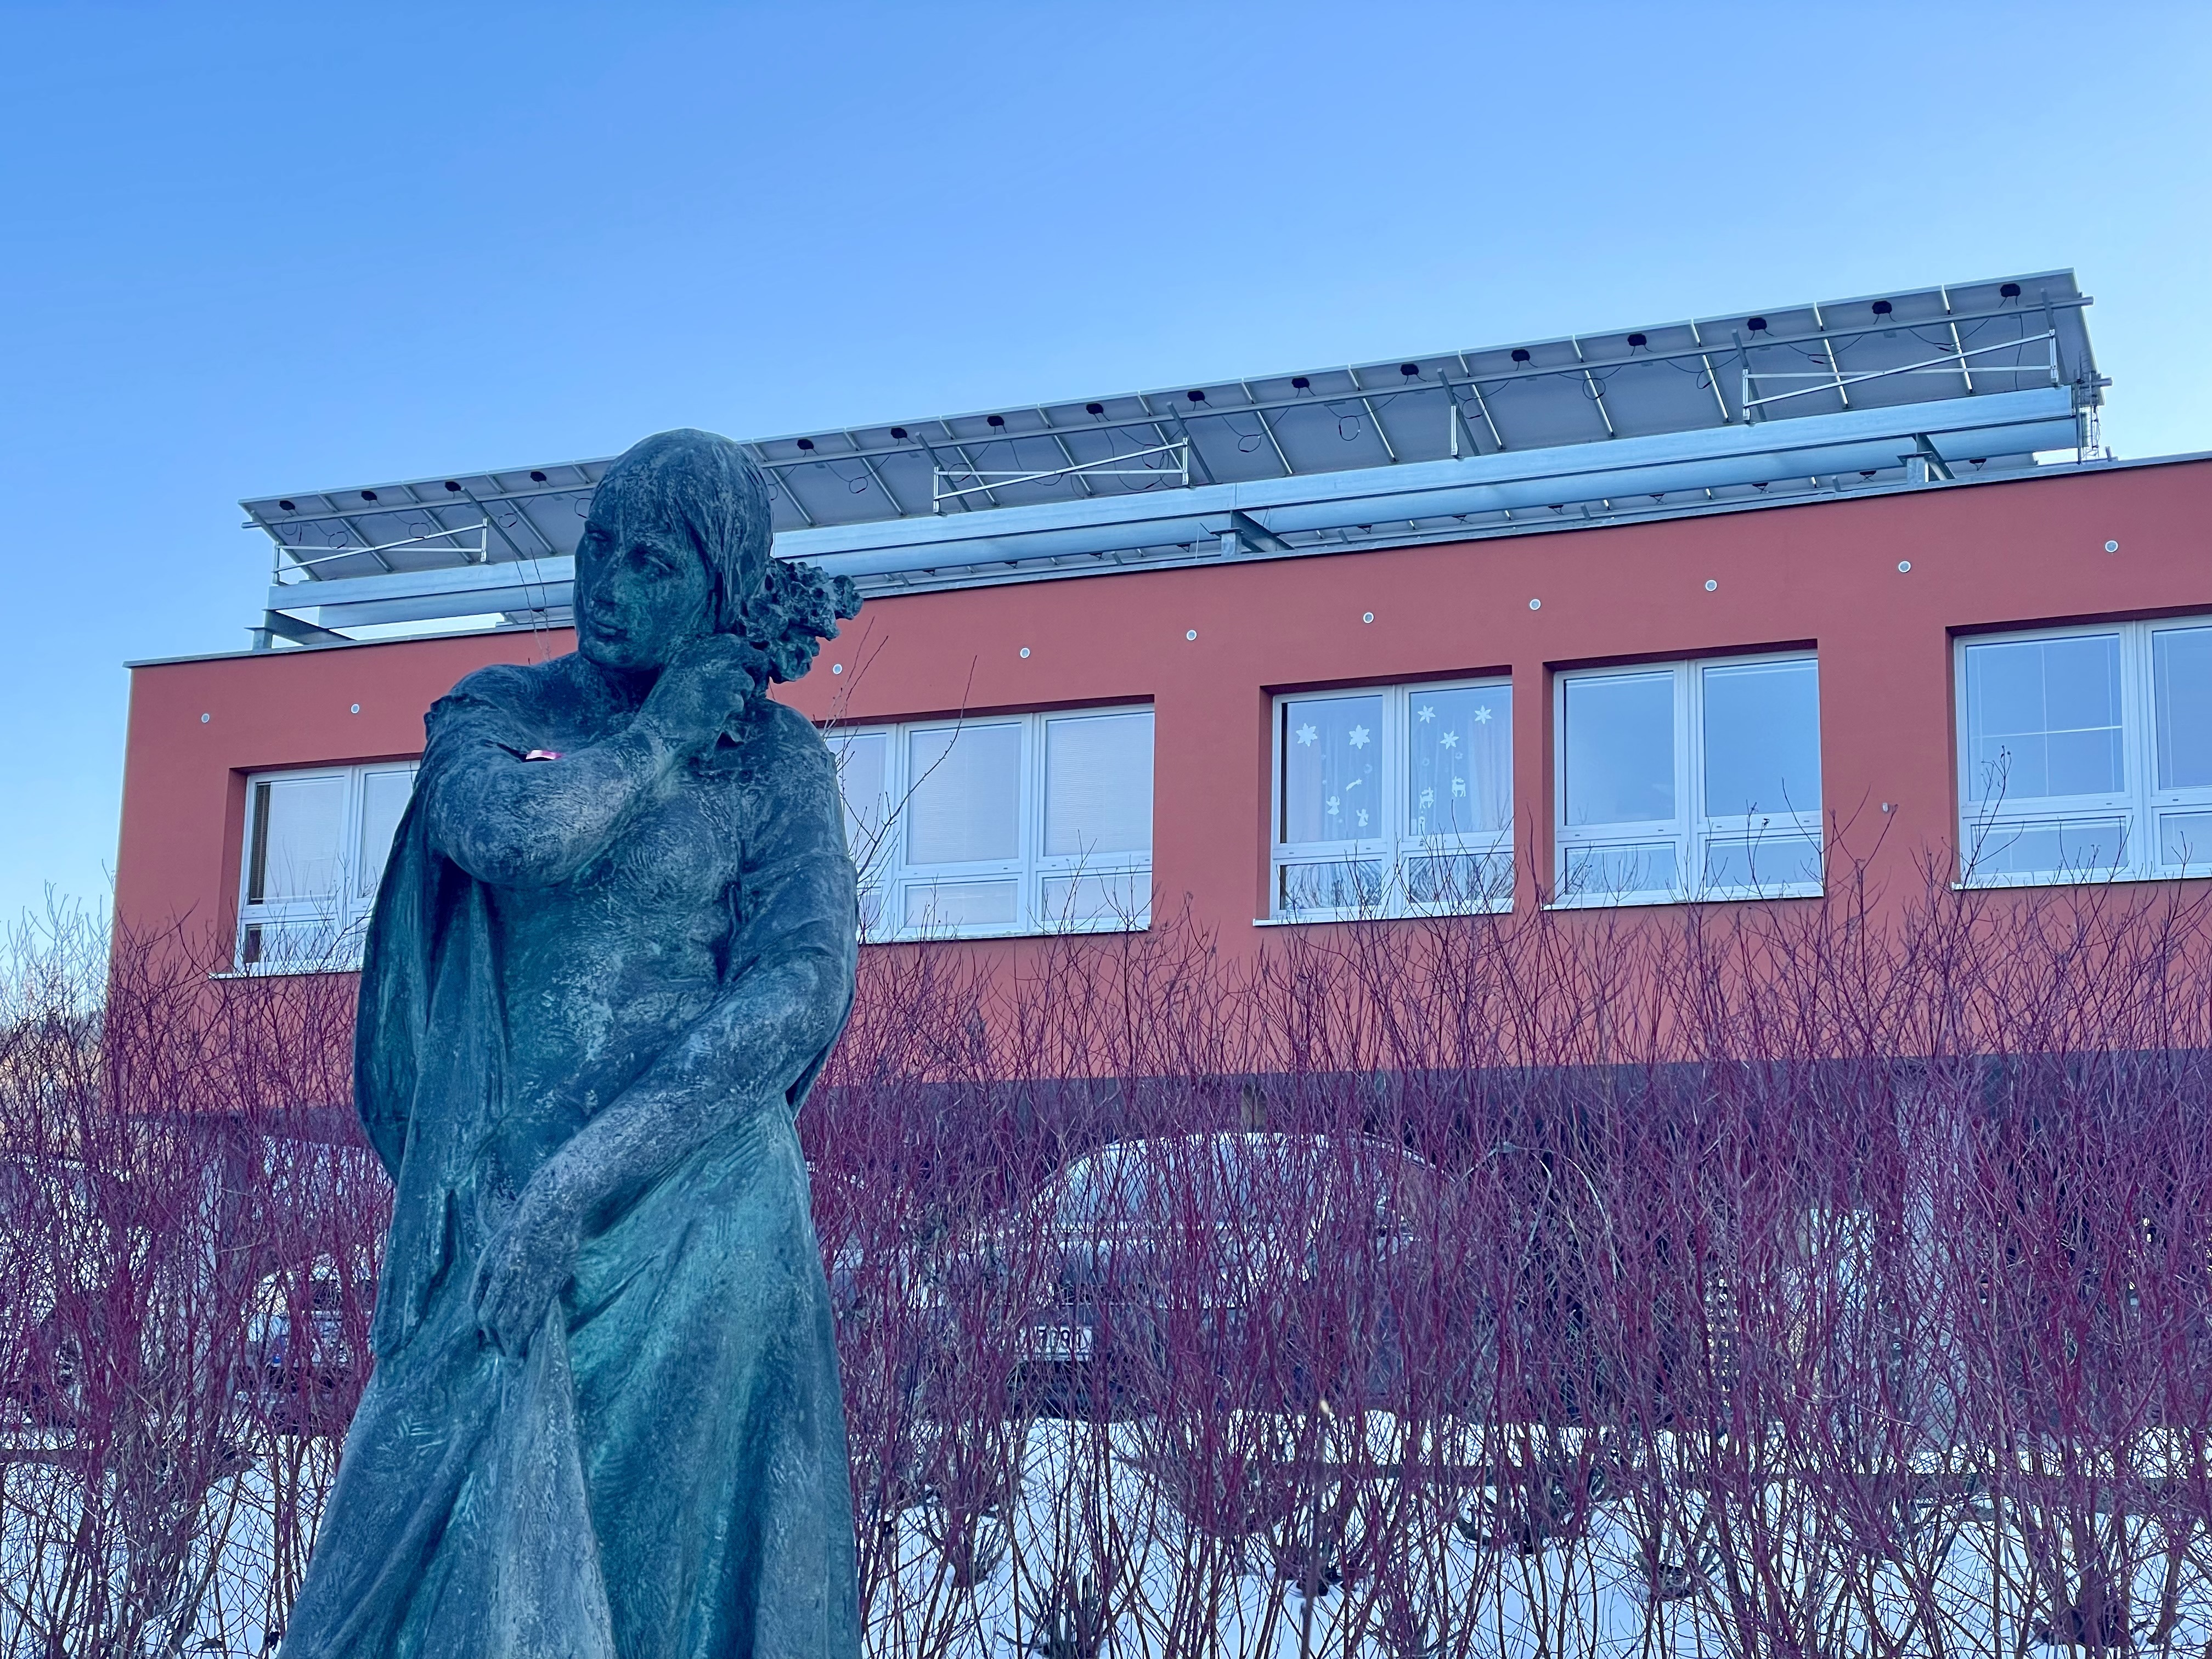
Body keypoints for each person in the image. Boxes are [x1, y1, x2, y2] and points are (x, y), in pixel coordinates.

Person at [280, 429, 863, 1659]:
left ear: (722, 587)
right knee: (385, 1582)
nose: (607, 583)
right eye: (598, 546)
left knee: (671, 1587)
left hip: (702, 1206)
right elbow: (509, 834)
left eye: (653, 562)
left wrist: (580, 1181)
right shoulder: (499, 708)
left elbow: (800, 987)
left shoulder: (777, 763)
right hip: (493, 1192)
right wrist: (658, 743)